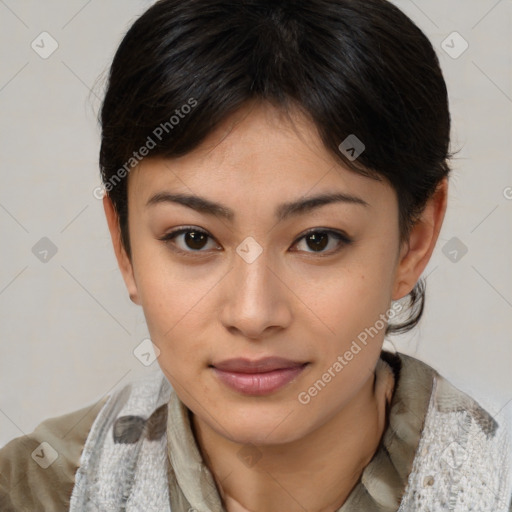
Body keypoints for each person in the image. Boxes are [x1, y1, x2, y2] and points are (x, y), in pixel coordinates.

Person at [1, 0, 511, 510]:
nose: (252, 314)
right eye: (194, 239)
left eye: (318, 240)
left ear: (414, 239)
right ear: (125, 244)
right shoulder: (34, 491)